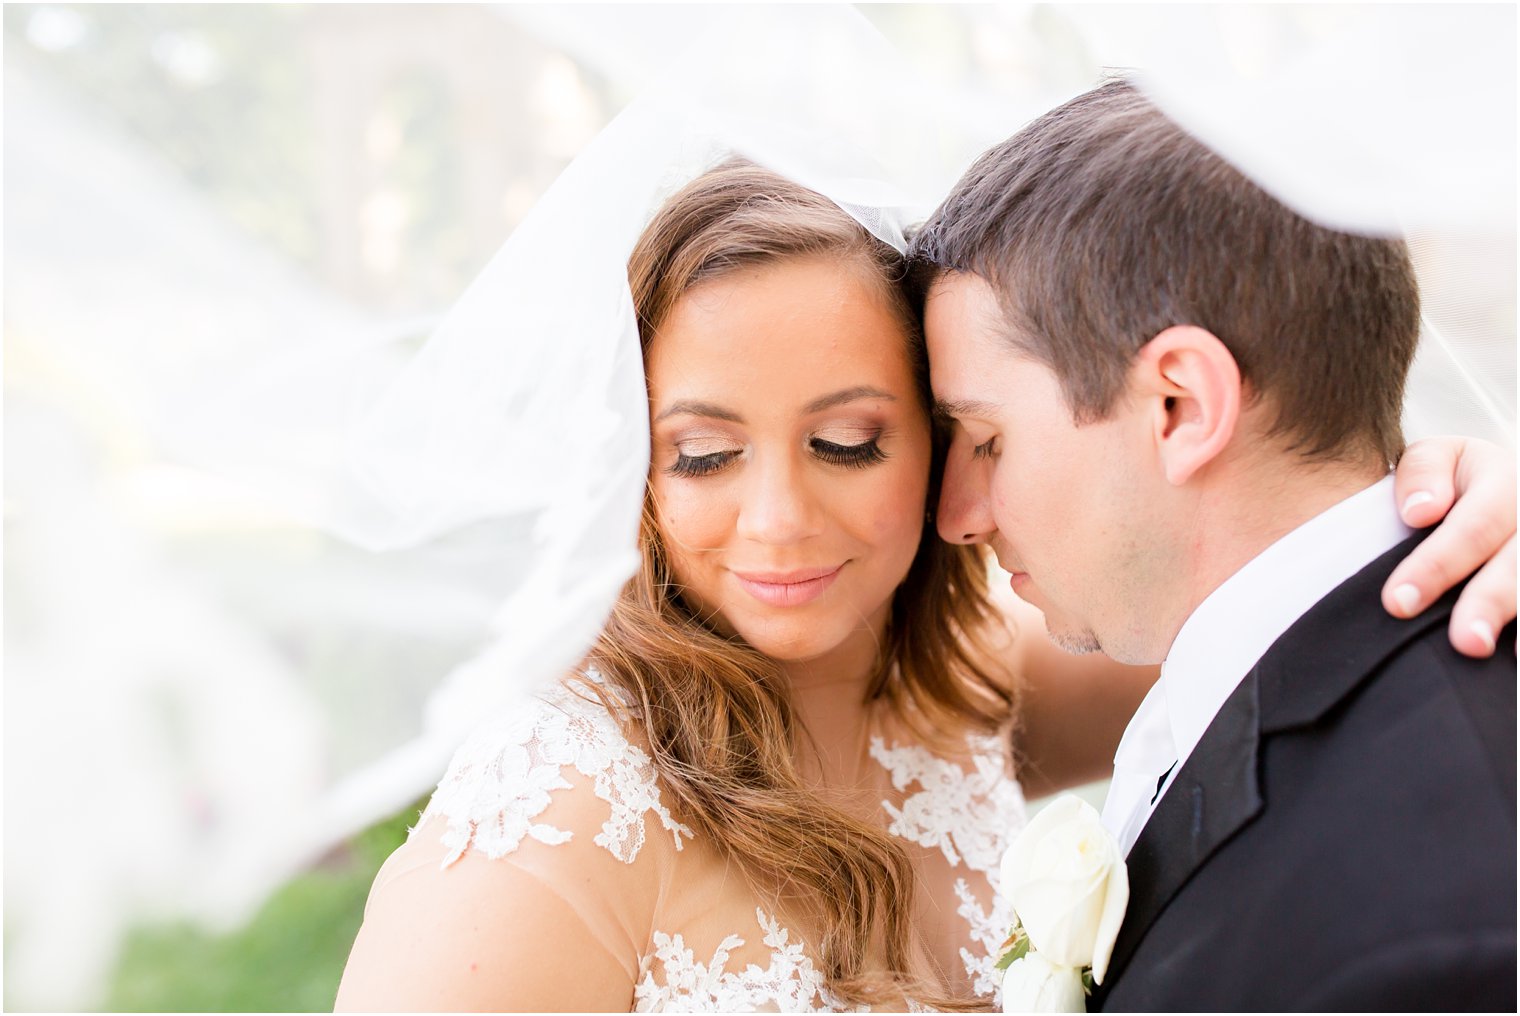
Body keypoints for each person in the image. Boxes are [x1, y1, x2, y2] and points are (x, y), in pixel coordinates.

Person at [332, 152, 1515, 1011]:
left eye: (849, 441)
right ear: (626, 464)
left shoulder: (969, 680)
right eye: (700, 454)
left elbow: (1271, 594)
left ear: (941, 432)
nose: (778, 521)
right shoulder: (557, 807)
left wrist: (1458, 502)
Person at [914, 78, 1516, 1010]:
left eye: (987, 440)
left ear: (1180, 406)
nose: (956, 514)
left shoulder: (1436, 931)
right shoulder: (1248, 681)